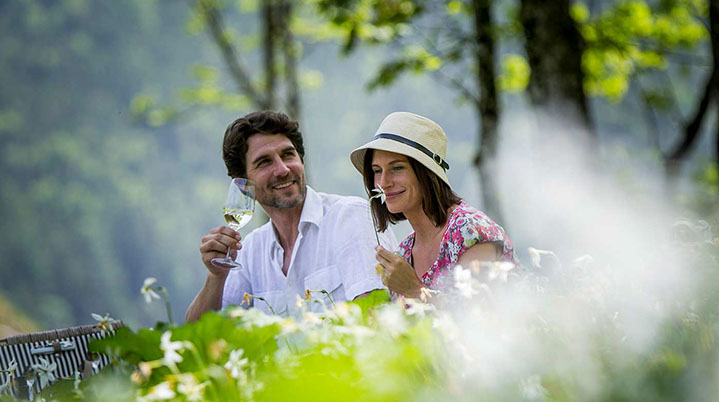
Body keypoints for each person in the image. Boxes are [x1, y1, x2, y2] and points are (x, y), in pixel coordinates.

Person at [185, 111, 396, 323]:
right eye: (264, 162)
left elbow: (373, 316)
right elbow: (199, 335)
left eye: (288, 155)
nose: (282, 169)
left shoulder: (349, 216)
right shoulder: (250, 250)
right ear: (243, 184)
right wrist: (216, 276)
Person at [350, 111, 518, 298]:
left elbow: (480, 311)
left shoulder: (469, 230)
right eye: (377, 170)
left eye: (397, 168)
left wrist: (414, 289)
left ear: (426, 172)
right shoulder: (404, 253)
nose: (384, 182)